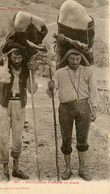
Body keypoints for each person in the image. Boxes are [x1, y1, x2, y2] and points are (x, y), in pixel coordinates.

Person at [47, 49, 97, 181]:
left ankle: (82, 169)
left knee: (82, 139)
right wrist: (50, 87)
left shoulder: (88, 71)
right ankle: (68, 169)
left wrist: (95, 108)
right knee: (66, 138)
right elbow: (51, 93)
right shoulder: (59, 73)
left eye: (78, 59)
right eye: (72, 59)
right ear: (67, 58)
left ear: (81, 58)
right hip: (65, 108)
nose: (75, 62)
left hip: (84, 107)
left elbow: (93, 90)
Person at [0, 47, 38, 182]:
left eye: (19, 57)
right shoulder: (4, 67)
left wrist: (32, 72)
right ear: (10, 57)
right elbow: (2, 79)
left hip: (19, 104)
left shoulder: (26, 69)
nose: (17, 60)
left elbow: (32, 90)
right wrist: (6, 62)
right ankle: (5, 171)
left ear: (23, 58)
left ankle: (16, 169)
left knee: (17, 137)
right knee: (3, 136)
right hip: (4, 104)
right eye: (14, 57)